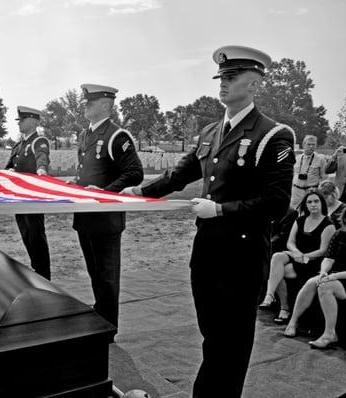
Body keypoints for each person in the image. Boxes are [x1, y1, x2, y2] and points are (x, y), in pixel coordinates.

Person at [122, 45, 296, 397]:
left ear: (254, 85)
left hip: (242, 258)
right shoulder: (211, 131)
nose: (223, 84)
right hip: (207, 253)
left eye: (232, 77)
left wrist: (220, 210)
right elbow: (179, 175)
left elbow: (277, 203)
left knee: (231, 346)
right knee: (213, 338)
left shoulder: (273, 135)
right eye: (222, 77)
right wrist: (139, 192)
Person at [73, 84, 143, 329]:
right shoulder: (85, 134)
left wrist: (105, 192)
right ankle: (100, 311)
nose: (85, 106)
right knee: (94, 271)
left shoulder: (117, 136)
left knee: (107, 275)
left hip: (106, 219)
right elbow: (88, 171)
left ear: (105, 105)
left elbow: (135, 173)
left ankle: (108, 325)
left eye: (89, 102)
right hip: (85, 216)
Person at [284, 202, 346, 350]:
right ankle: (293, 322)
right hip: (336, 275)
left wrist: (335, 276)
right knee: (312, 282)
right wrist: (323, 272)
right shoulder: (340, 233)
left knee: (325, 286)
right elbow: (329, 258)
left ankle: (329, 334)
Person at [259, 189, 335, 324]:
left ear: (322, 203)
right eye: (309, 202)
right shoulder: (300, 220)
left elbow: (323, 251)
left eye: (316, 201)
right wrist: (296, 253)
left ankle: (284, 308)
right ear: (305, 204)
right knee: (277, 257)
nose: (313, 205)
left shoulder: (328, 225)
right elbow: (290, 242)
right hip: (297, 256)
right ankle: (269, 296)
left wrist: (303, 256)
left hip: (313, 261)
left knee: (279, 271)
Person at [5, 106, 51, 279]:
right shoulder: (18, 146)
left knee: (36, 238)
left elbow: (42, 157)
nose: (19, 123)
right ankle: (37, 271)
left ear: (33, 121)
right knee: (26, 236)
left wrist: (41, 170)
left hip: (32, 199)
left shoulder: (38, 141)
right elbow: (9, 167)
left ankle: (44, 276)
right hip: (19, 199)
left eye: (22, 120)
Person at [290, 135, 327, 209]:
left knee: (309, 212)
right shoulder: (296, 158)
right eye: (308, 144)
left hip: (311, 191)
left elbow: (323, 177)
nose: (311, 146)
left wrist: (319, 192)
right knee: (293, 213)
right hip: (296, 192)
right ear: (303, 145)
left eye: (313, 144)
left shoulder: (320, 159)